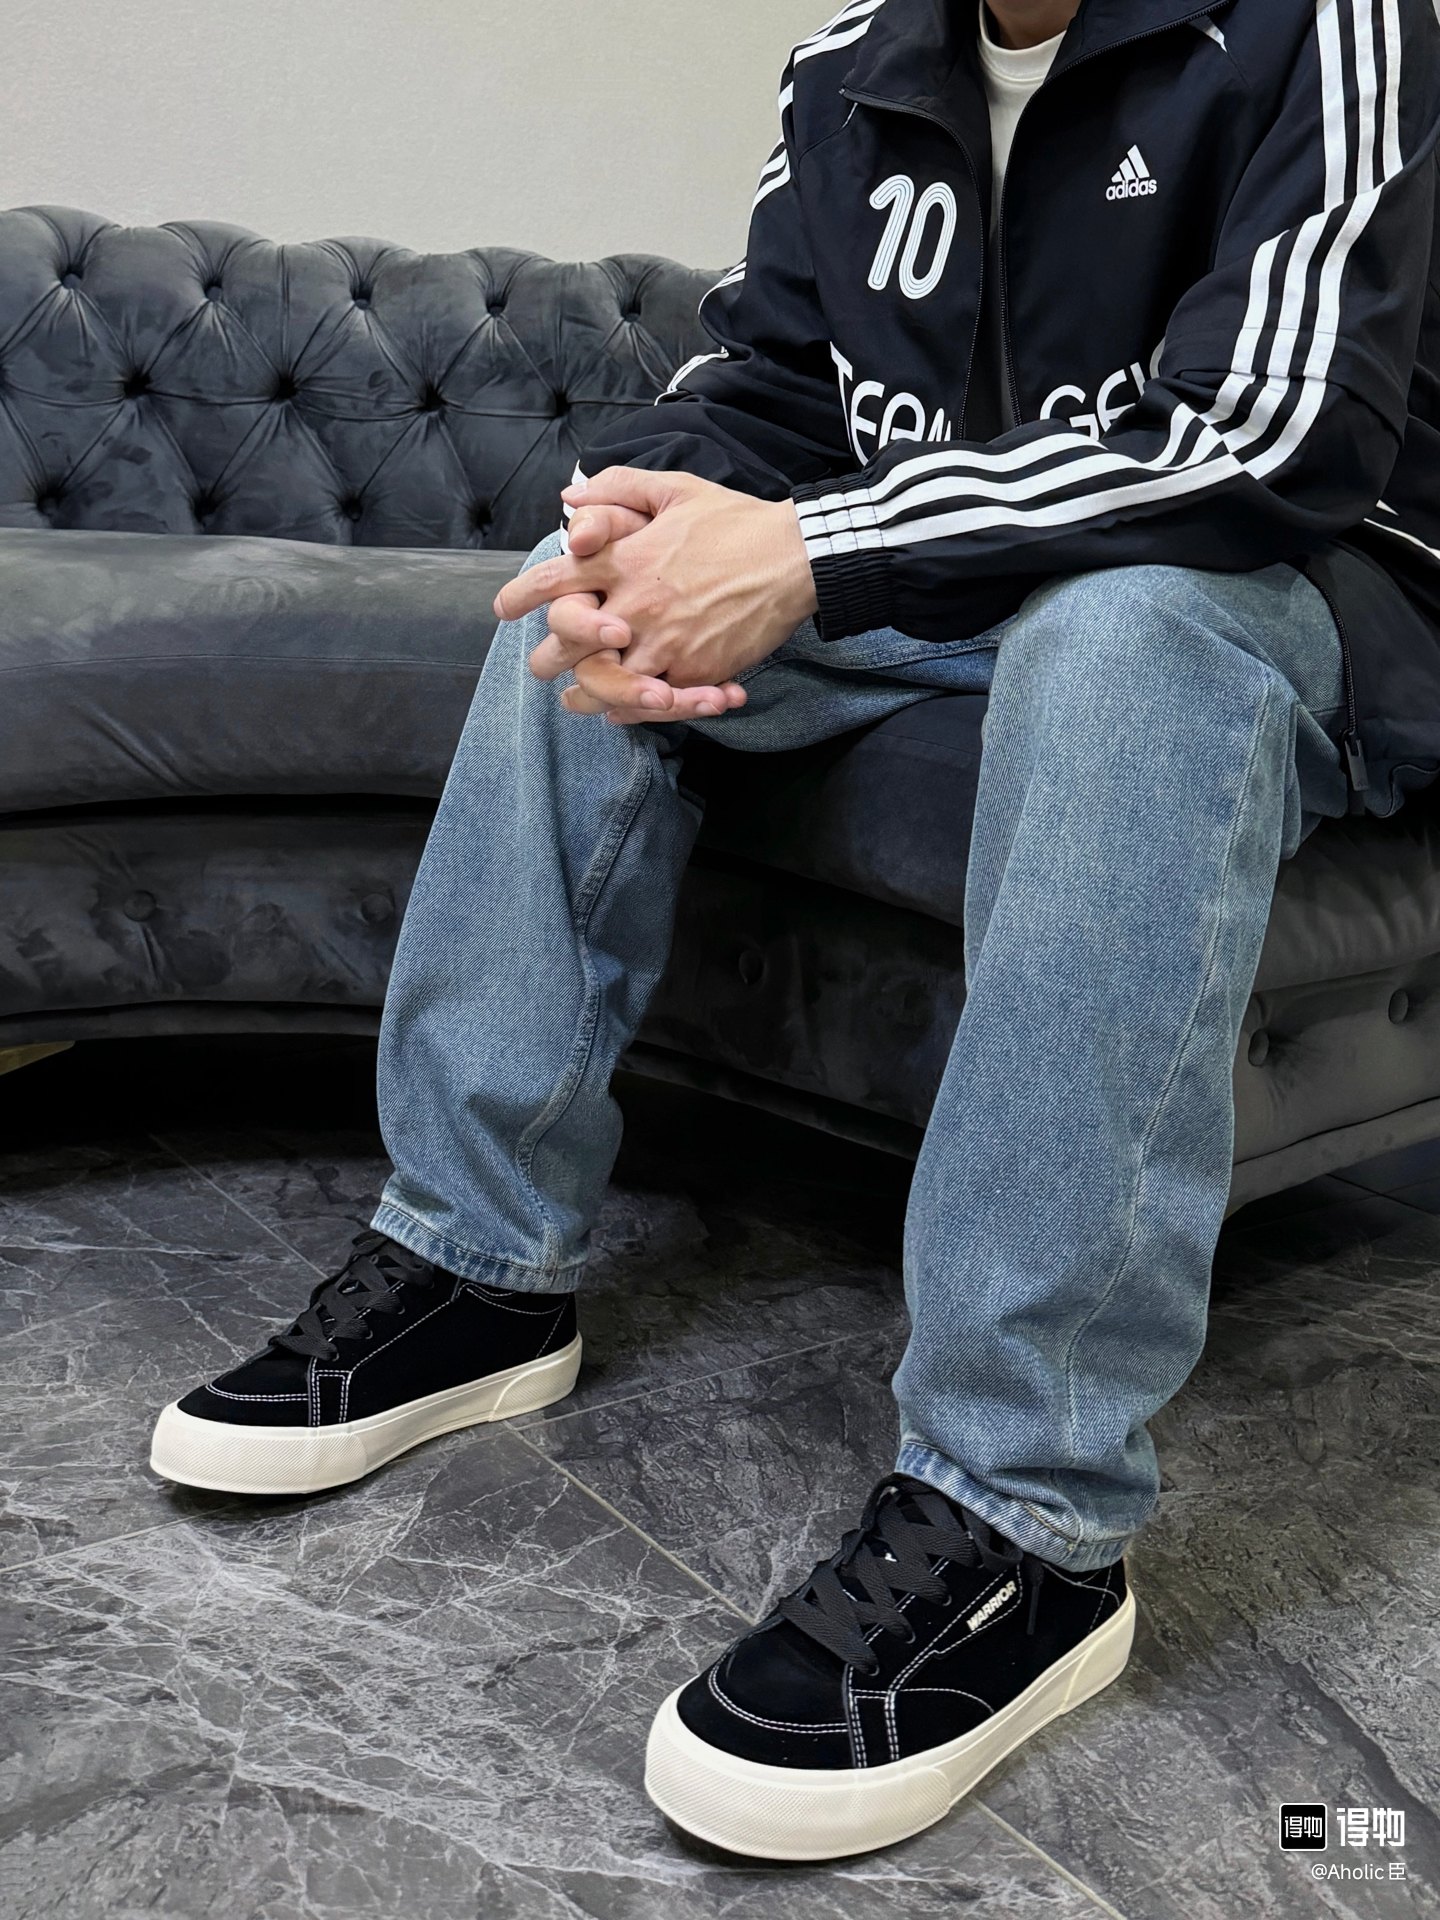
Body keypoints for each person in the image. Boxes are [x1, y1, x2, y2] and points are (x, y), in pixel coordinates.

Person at [151, 0, 1440, 1861]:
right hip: (979, 559)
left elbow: (1269, 437)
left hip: (1292, 585)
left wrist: (819, 551)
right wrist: (641, 525)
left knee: (1125, 638)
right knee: (578, 607)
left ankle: (1025, 1512)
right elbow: (765, 381)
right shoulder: (851, 63)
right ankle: (473, 1260)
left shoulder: (1330, 19)